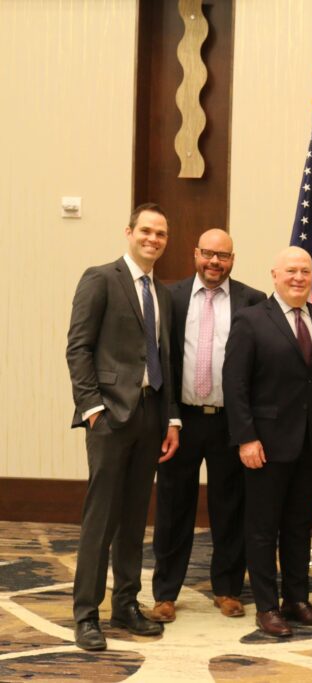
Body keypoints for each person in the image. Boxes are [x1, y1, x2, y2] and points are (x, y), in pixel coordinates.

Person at [223, 247, 312, 638]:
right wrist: (246, 438)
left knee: (299, 526)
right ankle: (266, 606)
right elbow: (236, 385)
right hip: (266, 445)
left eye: (304, 271)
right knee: (263, 527)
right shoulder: (250, 321)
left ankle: (296, 600)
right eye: (291, 271)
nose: (299, 277)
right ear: (274, 275)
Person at [65, 203, 181, 651]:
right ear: (129, 232)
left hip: (151, 416)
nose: (153, 239)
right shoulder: (101, 278)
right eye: (146, 231)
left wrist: (170, 418)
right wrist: (92, 408)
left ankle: (127, 604)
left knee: (134, 517)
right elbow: (78, 348)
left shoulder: (163, 293)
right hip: (110, 416)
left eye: (161, 234)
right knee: (102, 518)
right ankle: (86, 613)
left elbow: (166, 360)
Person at [151, 229, 265, 623]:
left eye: (224, 256)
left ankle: (228, 588)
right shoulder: (170, 296)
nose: (215, 262)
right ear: (195, 253)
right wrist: (168, 417)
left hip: (230, 422)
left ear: (234, 259)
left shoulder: (253, 301)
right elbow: (161, 361)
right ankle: (165, 593)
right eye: (208, 254)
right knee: (172, 507)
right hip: (180, 422)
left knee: (231, 507)